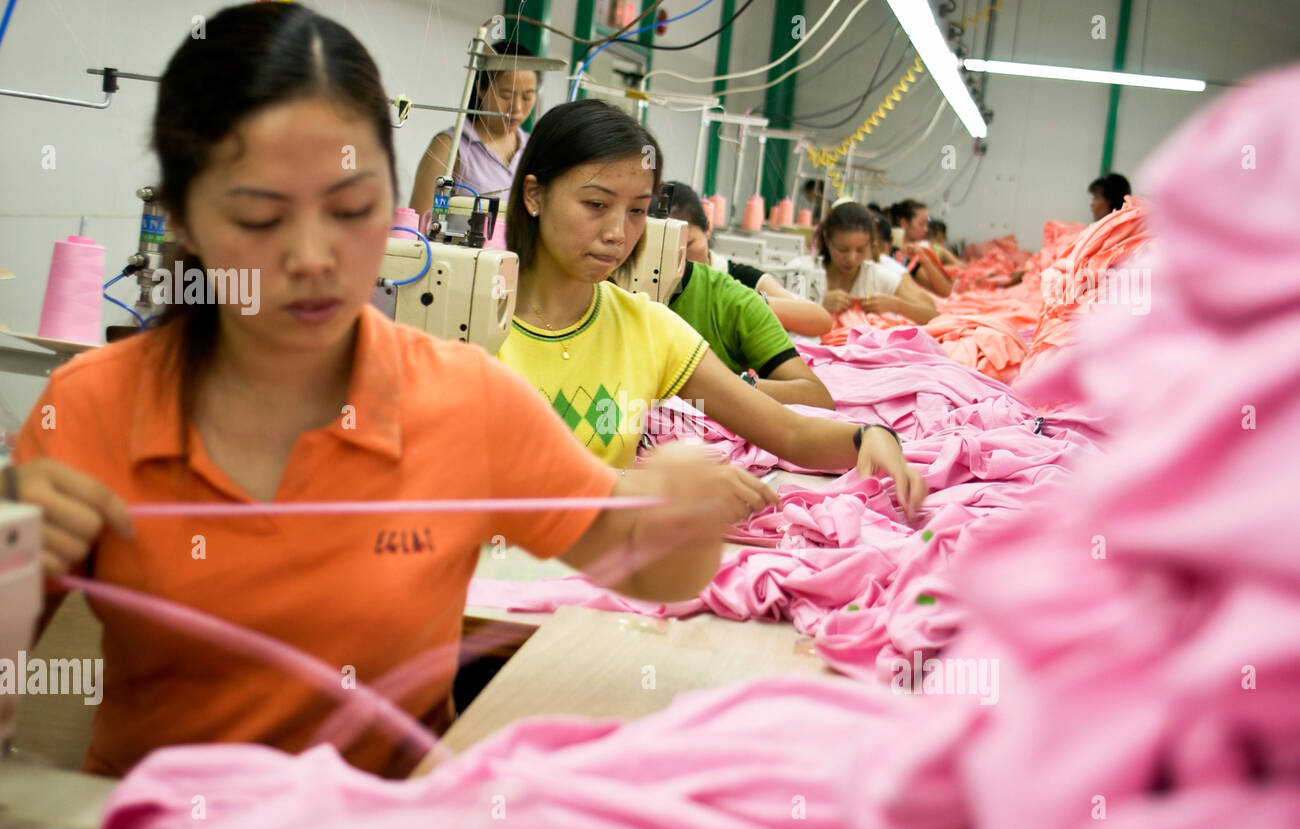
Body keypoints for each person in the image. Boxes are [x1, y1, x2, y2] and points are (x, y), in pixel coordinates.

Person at [6, 3, 775, 779]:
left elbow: (645, 563)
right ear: (182, 218)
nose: (315, 256)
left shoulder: (462, 400)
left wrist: (679, 512)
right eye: (260, 215)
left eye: (351, 208)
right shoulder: (91, 405)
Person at [496, 99, 928, 515]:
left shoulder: (646, 327)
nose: (616, 232)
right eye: (596, 204)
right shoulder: (470, 327)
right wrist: (652, 485)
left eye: (637, 211)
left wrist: (868, 437)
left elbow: (788, 431)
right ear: (534, 196)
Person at [666, 181, 835, 340]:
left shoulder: (737, 278)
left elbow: (820, 320)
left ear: (708, 228)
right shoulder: (650, 283)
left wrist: (746, 303)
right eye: (667, 251)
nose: (680, 259)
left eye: (688, 245)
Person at [409, 40, 539, 216]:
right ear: (480, 88)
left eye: (527, 97)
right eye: (505, 95)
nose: (516, 108)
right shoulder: (450, 147)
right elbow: (421, 221)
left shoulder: (535, 149)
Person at [809, 202, 937, 324]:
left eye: (860, 250)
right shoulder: (804, 271)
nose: (851, 258)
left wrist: (896, 305)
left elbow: (934, 315)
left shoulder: (876, 276)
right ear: (826, 238)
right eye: (843, 250)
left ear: (871, 244)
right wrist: (816, 301)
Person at [888, 199, 956, 295]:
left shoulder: (929, 248)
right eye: (921, 224)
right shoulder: (894, 251)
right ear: (904, 223)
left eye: (927, 224)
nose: (926, 229)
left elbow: (947, 287)